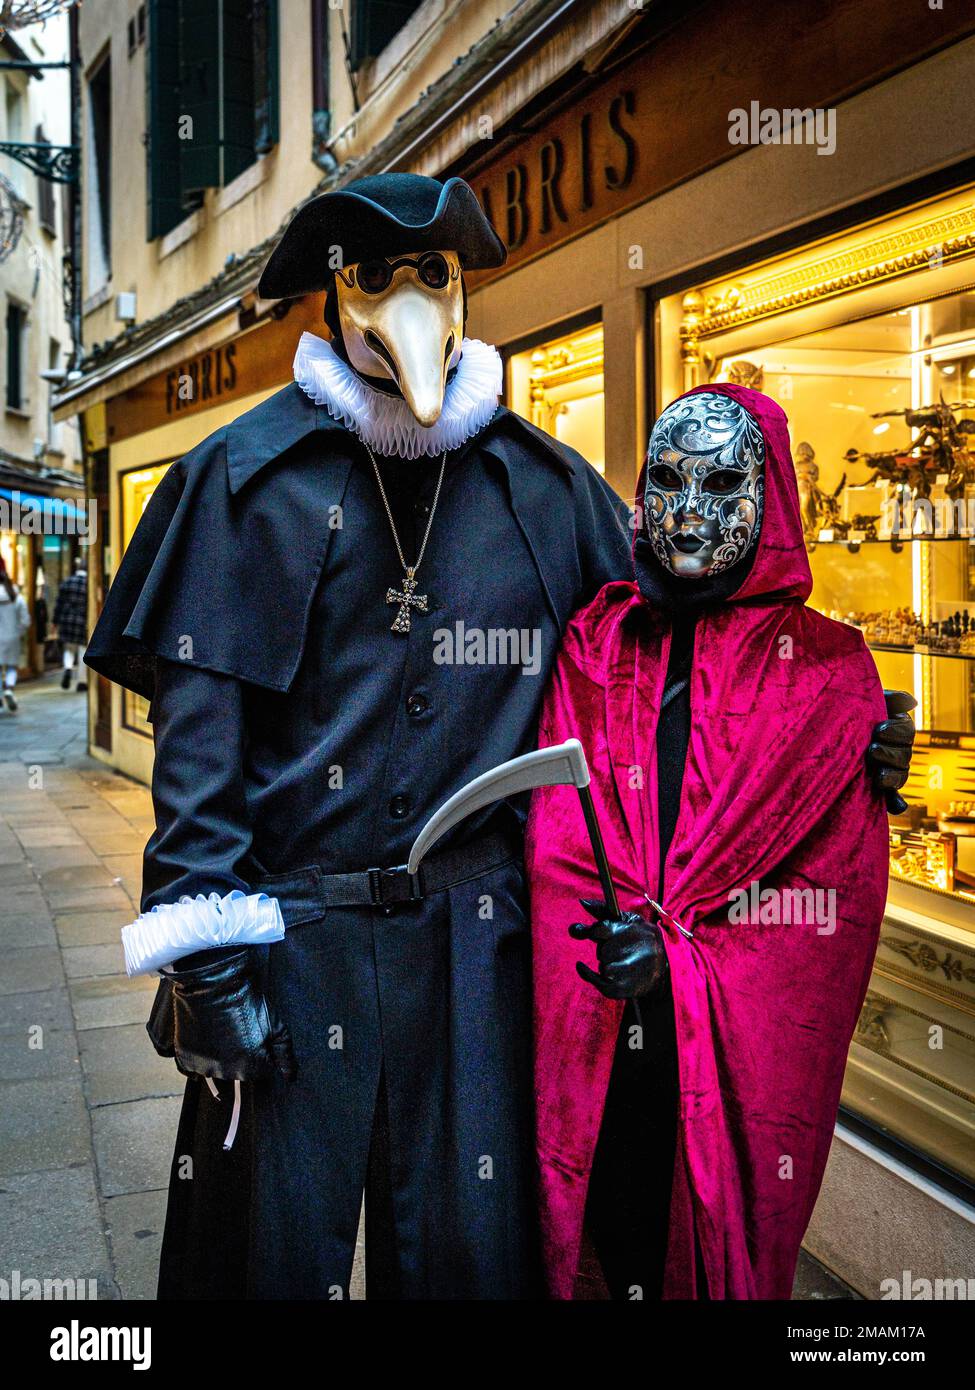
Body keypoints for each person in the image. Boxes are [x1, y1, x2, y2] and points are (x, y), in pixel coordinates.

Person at [85, 176, 911, 1302]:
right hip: (294, 940)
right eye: (380, 276)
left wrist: (827, 734)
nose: (412, 299)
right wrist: (207, 955)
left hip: (483, 953)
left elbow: (670, 650)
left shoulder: (545, 484)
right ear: (335, 296)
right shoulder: (240, 482)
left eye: (437, 274)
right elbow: (196, 753)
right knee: (268, 1257)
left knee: (476, 1258)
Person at [525, 385, 912, 1301]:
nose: (688, 510)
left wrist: (684, 958)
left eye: (721, 480)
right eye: (665, 479)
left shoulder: (826, 667)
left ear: (767, 491)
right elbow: (556, 832)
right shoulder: (596, 639)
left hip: (730, 1042)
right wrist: (605, 935)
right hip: (600, 1013)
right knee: (611, 1230)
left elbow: (829, 893)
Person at [52, 557, 89, 692]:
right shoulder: (88, 584)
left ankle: (67, 668)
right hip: (82, 621)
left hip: (66, 620)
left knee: (69, 649)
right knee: (82, 651)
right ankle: (82, 682)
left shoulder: (67, 583)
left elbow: (59, 604)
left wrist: (55, 622)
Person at [0, 558, 29, 712]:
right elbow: (26, 620)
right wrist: (19, 632)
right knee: (11, 666)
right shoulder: (16, 597)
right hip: (12, 637)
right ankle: (9, 690)